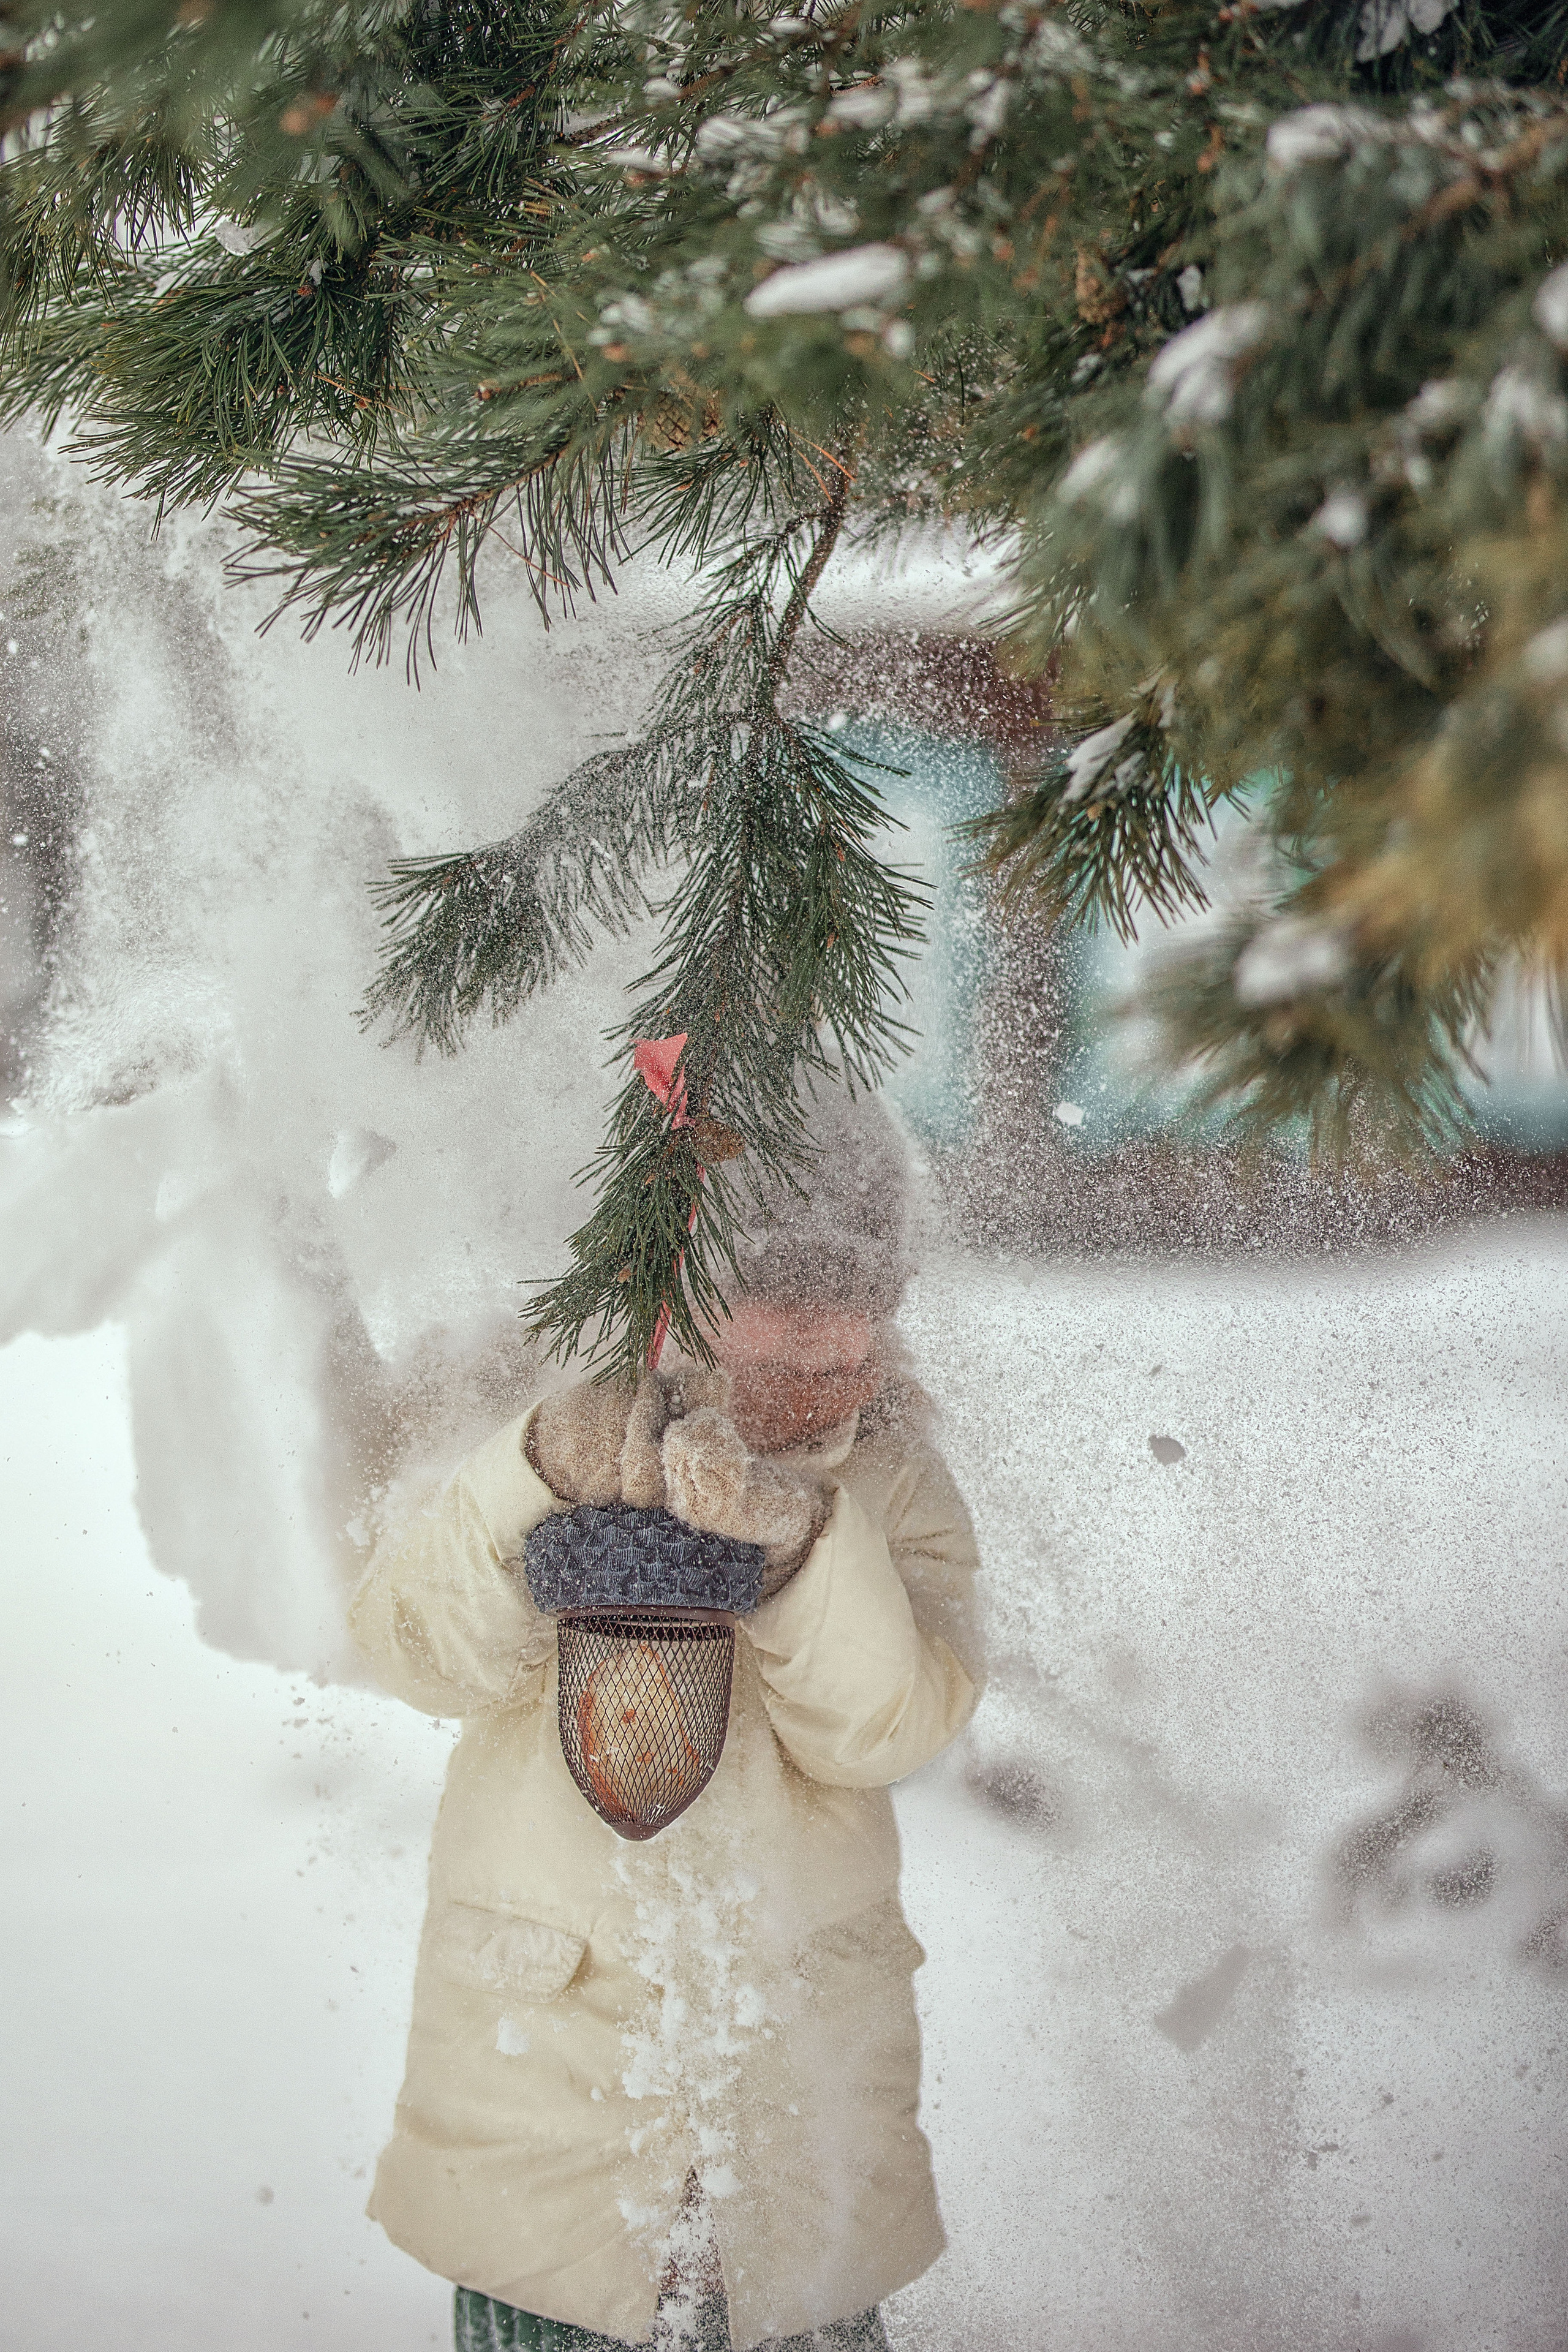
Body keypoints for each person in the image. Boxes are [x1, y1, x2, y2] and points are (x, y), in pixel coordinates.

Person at [349, 1086, 984, 2352]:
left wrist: (804, 1544)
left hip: (796, 2106)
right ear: (679, 1297)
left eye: (854, 1326)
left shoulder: (894, 1482)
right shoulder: (532, 1422)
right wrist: (533, 1472)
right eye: (777, 1323)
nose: (822, 1367)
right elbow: (413, 1647)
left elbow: (887, 1730)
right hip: (544, 2100)